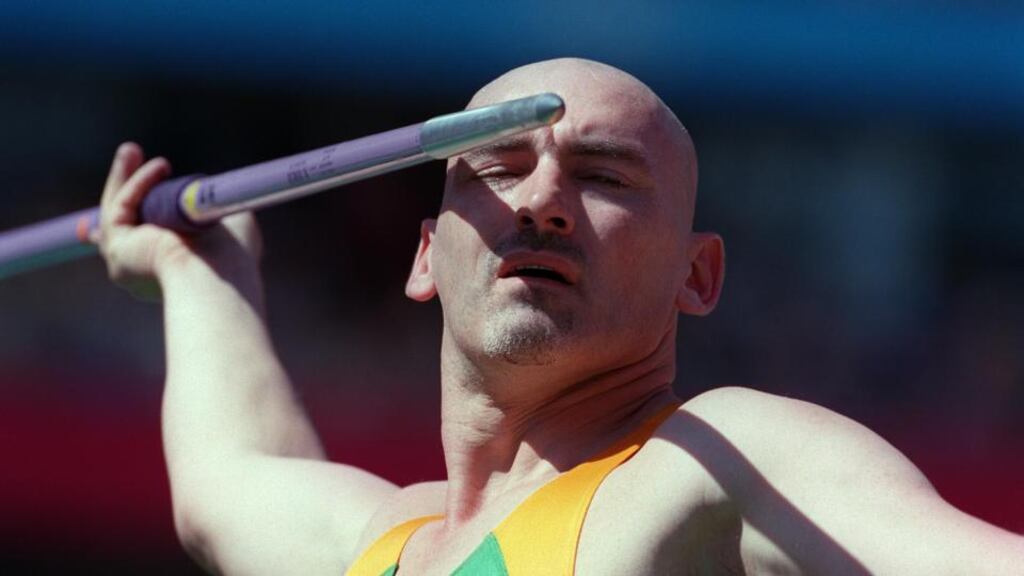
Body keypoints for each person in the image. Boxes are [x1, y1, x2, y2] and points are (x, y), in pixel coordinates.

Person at [95, 58, 1023, 575]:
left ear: (697, 277)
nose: (541, 199)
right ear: (426, 256)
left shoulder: (716, 461)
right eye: (498, 168)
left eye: (605, 176)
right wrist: (197, 268)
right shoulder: (376, 547)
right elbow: (225, 487)